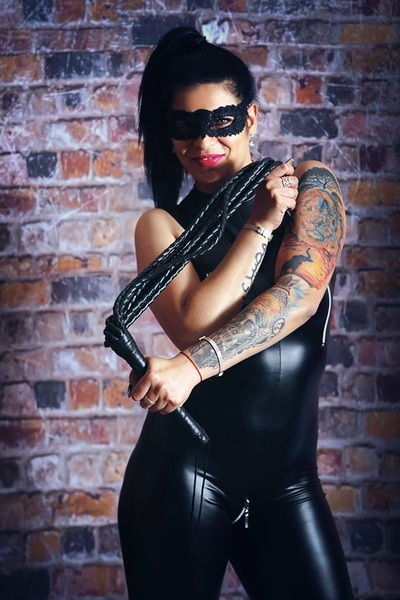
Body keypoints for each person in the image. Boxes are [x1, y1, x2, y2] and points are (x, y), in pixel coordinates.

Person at [118, 26, 354, 600]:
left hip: (289, 483)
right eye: (185, 125)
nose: (204, 141)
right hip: (184, 474)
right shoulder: (162, 227)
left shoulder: (310, 185)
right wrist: (260, 226)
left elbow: (299, 295)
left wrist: (191, 367)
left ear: (249, 118)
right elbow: (196, 322)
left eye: (220, 120)